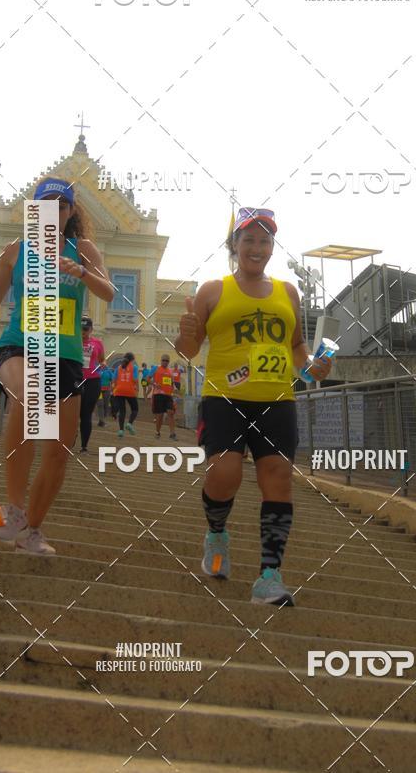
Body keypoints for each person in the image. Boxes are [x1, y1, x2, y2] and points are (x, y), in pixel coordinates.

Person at [175, 207, 331, 607]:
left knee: (277, 479)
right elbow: (189, 350)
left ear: (272, 247)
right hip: (224, 397)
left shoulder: (288, 292)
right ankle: (216, 533)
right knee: (224, 473)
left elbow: (296, 346)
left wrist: (313, 367)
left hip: (277, 400)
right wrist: (186, 334)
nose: (257, 248)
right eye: (249, 240)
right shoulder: (213, 290)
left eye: (265, 241)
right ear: (235, 245)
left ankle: (269, 576)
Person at [0, 178, 114, 554]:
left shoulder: (83, 248)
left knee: (59, 451)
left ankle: (32, 530)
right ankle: (13, 509)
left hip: (67, 356)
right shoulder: (16, 250)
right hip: (20, 344)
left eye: (61, 205)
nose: (52, 212)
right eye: (44, 204)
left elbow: (108, 291)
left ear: (70, 211)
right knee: (27, 396)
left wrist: (81, 272)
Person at [79, 316, 105, 452]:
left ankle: (84, 445)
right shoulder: (72, 341)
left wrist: (103, 364)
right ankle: (69, 441)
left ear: (91, 330)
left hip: (92, 380)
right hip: (75, 379)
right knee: (72, 413)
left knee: (86, 414)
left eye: (86, 329)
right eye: (81, 329)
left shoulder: (97, 343)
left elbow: (101, 359)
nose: (83, 332)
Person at [112, 352, 139, 437]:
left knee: (122, 411)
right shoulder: (134, 367)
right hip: (130, 390)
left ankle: (121, 430)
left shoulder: (118, 368)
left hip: (119, 391)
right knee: (135, 409)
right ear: (132, 360)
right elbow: (135, 379)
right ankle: (129, 424)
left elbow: (113, 380)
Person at [151, 353, 177, 440]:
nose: (165, 362)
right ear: (161, 360)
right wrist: (154, 384)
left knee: (171, 412)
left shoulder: (170, 371)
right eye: (163, 360)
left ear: (169, 362)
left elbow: (172, 383)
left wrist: (175, 390)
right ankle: (157, 432)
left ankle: (172, 434)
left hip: (168, 396)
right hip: (158, 395)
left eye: (167, 361)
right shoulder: (156, 368)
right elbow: (147, 379)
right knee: (160, 415)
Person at [97, 361, 114, 426]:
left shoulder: (108, 371)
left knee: (105, 405)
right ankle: (101, 420)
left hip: (107, 390)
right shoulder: (97, 370)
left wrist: (112, 387)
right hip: (99, 390)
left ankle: (103, 419)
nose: (103, 364)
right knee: (100, 404)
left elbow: (112, 379)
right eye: (101, 363)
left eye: (104, 363)